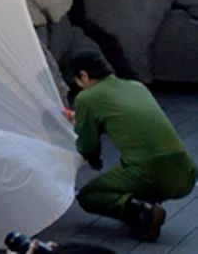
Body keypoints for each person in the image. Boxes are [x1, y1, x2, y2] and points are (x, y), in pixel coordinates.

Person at [63, 49, 197, 241]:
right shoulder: (136, 86)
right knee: (131, 169)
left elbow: (88, 146)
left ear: (83, 75)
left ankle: (142, 211)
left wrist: (82, 128)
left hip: (151, 172)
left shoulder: (86, 97)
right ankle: (141, 205)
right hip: (186, 173)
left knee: (89, 195)